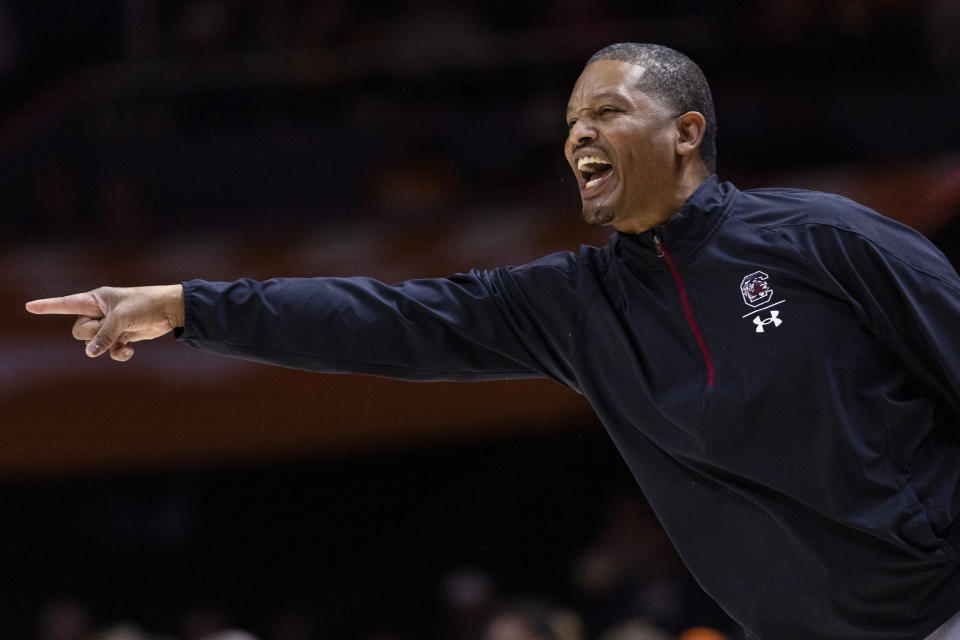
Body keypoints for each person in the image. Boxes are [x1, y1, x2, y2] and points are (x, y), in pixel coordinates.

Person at [25, 43, 960, 640]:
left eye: (604, 114)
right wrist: (192, 306)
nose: (576, 137)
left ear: (687, 132)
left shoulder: (826, 238)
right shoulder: (573, 303)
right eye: (568, 124)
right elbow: (386, 318)